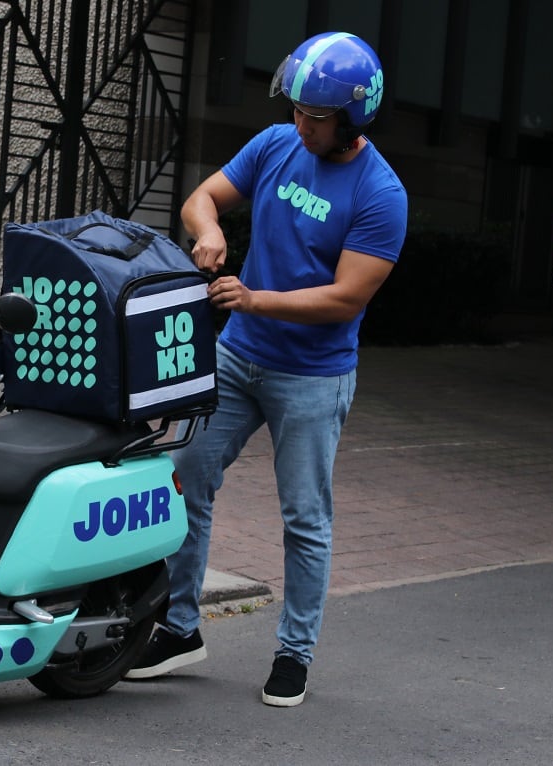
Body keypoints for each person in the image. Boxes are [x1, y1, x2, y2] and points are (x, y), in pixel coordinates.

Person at [124, 31, 408, 707]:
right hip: (238, 357)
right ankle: (180, 626)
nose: (300, 123)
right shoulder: (277, 144)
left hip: (313, 377)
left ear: (353, 119)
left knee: (304, 516)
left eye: (316, 117)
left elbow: (346, 298)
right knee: (185, 478)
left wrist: (254, 298)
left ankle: (293, 653)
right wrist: (209, 230)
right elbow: (202, 197)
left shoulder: (380, 194)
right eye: (298, 109)